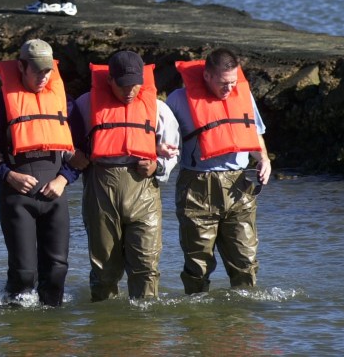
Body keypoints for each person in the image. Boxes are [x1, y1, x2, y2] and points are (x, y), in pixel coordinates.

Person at [68, 51, 180, 300]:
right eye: (123, 85)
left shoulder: (158, 109)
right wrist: (72, 155)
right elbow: (64, 140)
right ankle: (106, 327)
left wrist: (158, 166)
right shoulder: (86, 104)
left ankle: (145, 327)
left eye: (135, 85)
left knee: (146, 267)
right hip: (101, 190)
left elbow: (172, 151)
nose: (130, 91)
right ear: (109, 81)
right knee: (104, 269)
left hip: (144, 191)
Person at [0, 39, 79, 306]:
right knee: (24, 274)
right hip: (17, 198)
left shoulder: (63, 103)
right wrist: (8, 175)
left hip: (54, 196)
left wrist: (64, 179)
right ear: (21, 67)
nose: (43, 77)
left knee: (57, 272)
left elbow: (82, 151)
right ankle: (20, 335)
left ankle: (52, 338)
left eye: (48, 71)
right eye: (37, 70)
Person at [165, 47, 273, 294]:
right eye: (224, 83)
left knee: (245, 261)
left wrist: (264, 159)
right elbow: (161, 136)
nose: (230, 89)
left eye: (234, 82)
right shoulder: (178, 100)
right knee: (198, 264)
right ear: (207, 76)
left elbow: (253, 134)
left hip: (238, 186)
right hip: (197, 186)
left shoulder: (243, 96)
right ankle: (198, 320)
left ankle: (244, 322)